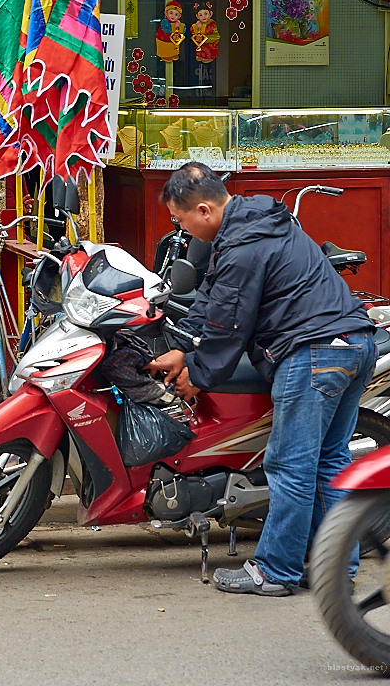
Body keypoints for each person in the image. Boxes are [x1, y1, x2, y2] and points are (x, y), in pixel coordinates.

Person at [147, 161, 376, 597]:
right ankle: (335, 570)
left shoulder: (242, 244)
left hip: (313, 353)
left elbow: (231, 323)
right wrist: (183, 348)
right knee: (328, 461)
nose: (184, 232)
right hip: (353, 342)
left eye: (181, 222)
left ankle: (275, 571)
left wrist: (199, 372)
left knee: (289, 466)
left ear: (203, 210)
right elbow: (215, 295)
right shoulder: (257, 220)